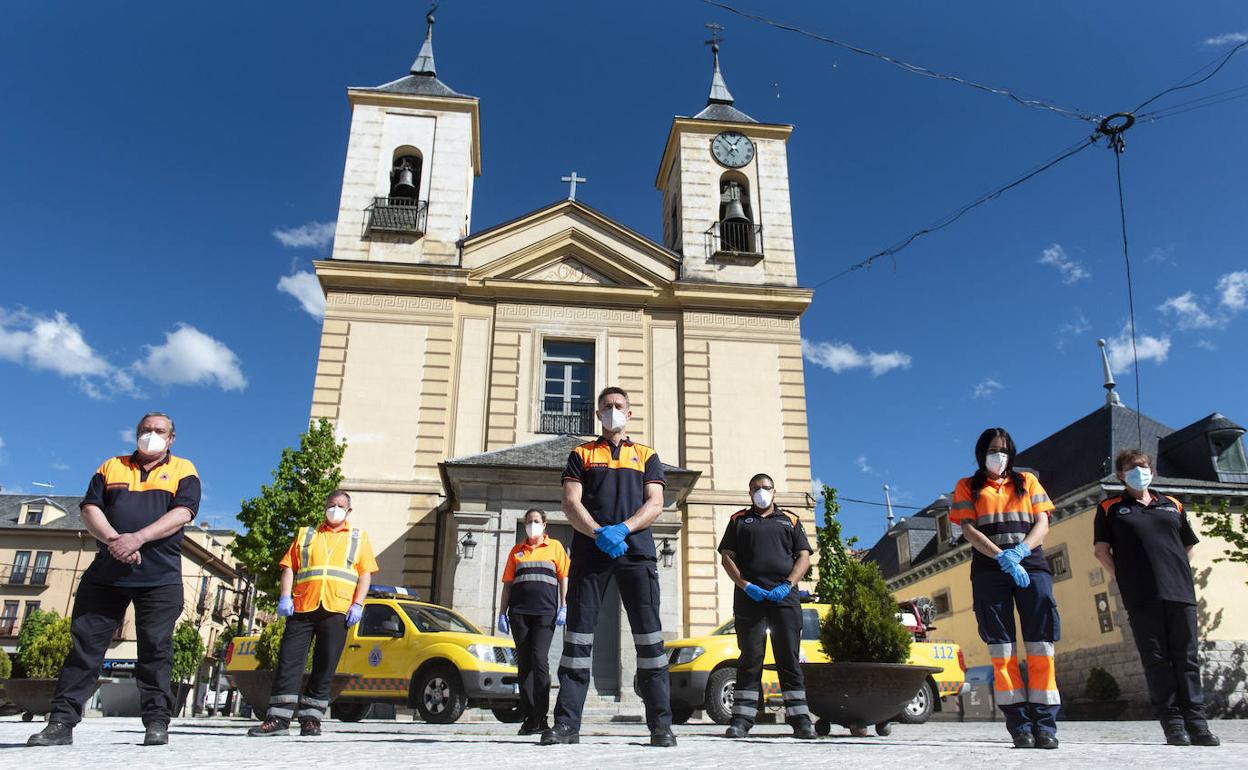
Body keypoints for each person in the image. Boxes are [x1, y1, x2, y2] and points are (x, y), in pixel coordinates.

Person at [29, 412, 200, 748]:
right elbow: (90, 508)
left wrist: (136, 539)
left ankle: (156, 723)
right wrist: (114, 541)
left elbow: (183, 513)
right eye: (145, 430)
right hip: (107, 571)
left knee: (156, 650)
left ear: (172, 438)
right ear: (136, 433)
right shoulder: (112, 466)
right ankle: (61, 723)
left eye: (159, 431)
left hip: (159, 577)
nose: (151, 435)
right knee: (84, 649)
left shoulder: (184, 470)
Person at [542, 386, 675, 747]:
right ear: (598, 415)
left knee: (650, 641)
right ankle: (567, 725)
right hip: (592, 551)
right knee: (577, 639)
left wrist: (624, 529)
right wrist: (599, 532)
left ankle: (661, 727)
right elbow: (570, 502)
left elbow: (656, 502)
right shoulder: (581, 453)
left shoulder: (646, 455)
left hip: (637, 552)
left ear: (629, 414)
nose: (613, 410)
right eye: (606, 407)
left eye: (619, 406)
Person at [1093, 449, 1220, 747]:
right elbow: (1101, 551)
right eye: (1132, 466)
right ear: (1121, 474)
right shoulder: (1110, 508)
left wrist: (1176, 568)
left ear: (1153, 471)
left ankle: (1198, 724)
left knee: (1187, 658)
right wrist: (1123, 578)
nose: (1140, 470)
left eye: (1144, 465)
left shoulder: (1172, 505)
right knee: (1157, 660)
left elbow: (1188, 545)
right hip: (1141, 595)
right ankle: (1173, 724)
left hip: (1180, 593)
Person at [948, 427, 1061, 749]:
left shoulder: (1028, 482)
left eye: (1004, 449)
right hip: (989, 570)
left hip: (1032, 566)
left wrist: (1021, 552)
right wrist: (1001, 557)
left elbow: (1043, 522)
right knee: (1002, 650)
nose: (999, 455)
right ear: (981, 453)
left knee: (1041, 647)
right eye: (993, 450)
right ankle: (1019, 726)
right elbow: (968, 529)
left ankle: (1045, 724)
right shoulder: (967, 486)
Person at [248, 490, 378, 737]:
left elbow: (365, 575)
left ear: (349, 511)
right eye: (331, 505)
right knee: (289, 661)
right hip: (303, 607)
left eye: (340, 506)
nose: (335, 509)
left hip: (337, 609)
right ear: (324, 507)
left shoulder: (358, 538)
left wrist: (358, 604)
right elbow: (288, 567)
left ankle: (311, 719)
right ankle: (278, 718)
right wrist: (285, 596)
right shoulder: (306, 535)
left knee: (325, 664)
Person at [718, 473, 814, 739]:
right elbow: (727, 557)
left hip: (785, 599)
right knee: (750, 659)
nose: (762, 492)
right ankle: (742, 719)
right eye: (756, 488)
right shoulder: (738, 520)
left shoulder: (790, 520)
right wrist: (745, 585)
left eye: (766, 488)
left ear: (774, 491)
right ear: (750, 493)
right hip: (750, 599)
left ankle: (801, 720)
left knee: (788, 659)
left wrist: (789, 583)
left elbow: (803, 556)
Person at [498, 508, 570, 735]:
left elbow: (563, 577)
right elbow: (508, 584)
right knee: (525, 665)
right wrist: (502, 612)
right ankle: (529, 718)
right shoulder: (516, 552)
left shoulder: (555, 547)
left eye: (536, 521)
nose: (532, 525)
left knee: (539, 661)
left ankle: (542, 717)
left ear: (544, 524)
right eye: (529, 521)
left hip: (545, 613)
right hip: (519, 613)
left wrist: (564, 605)